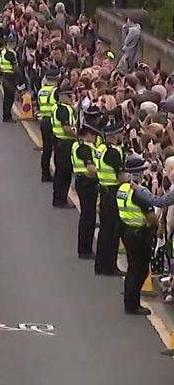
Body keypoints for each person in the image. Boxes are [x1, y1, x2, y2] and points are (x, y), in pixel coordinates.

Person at [116, 154, 158, 315]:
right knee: (140, 270)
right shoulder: (140, 192)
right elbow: (152, 217)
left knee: (132, 268)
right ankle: (133, 305)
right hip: (140, 234)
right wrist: (156, 225)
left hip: (127, 231)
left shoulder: (122, 189)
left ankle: (129, 302)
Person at [94, 122, 126, 276]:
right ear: (113, 135)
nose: (121, 136)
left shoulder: (100, 149)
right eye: (119, 133)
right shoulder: (113, 153)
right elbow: (121, 176)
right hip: (112, 193)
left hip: (104, 191)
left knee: (104, 231)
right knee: (112, 232)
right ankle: (109, 266)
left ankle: (100, 265)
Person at [71, 120, 99, 259]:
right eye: (94, 135)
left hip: (83, 181)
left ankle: (85, 248)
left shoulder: (78, 144)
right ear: (88, 134)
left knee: (88, 216)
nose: (95, 138)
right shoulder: (85, 148)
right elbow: (91, 168)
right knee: (88, 217)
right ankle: (85, 249)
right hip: (87, 182)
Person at [51, 88, 77, 208]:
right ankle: (61, 200)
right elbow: (66, 129)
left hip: (59, 142)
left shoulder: (56, 107)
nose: (71, 99)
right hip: (65, 144)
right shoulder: (63, 110)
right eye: (69, 96)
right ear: (63, 96)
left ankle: (59, 198)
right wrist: (78, 136)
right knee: (64, 173)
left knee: (60, 172)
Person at [37, 68, 59, 182]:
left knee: (46, 149)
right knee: (55, 148)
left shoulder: (42, 90)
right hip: (52, 121)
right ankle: (54, 172)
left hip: (43, 121)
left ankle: (44, 173)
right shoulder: (55, 91)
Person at [0, 35, 23, 122]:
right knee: (10, 97)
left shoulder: (3, 52)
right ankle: (7, 116)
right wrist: (20, 78)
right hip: (10, 76)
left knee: (7, 97)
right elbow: (15, 67)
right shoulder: (10, 54)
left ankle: (6, 115)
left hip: (4, 75)